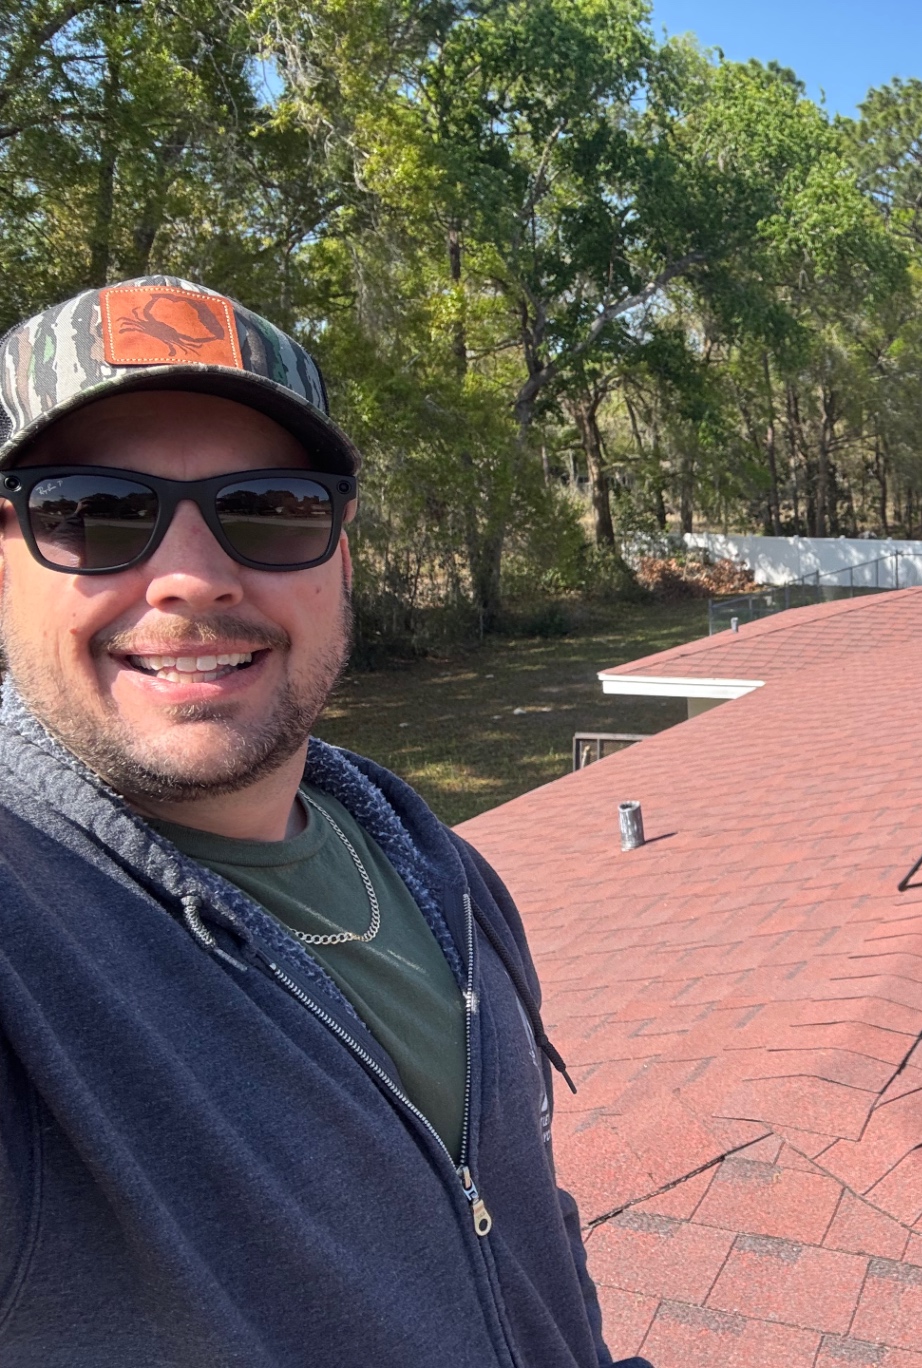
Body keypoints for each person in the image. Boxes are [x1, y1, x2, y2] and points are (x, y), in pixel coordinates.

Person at [0, 277, 639, 1367]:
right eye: (93, 512)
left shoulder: (443, 872)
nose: (191, 579)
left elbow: (529, 1216)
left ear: (340, 555)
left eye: (269, 509)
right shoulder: (29, 920)